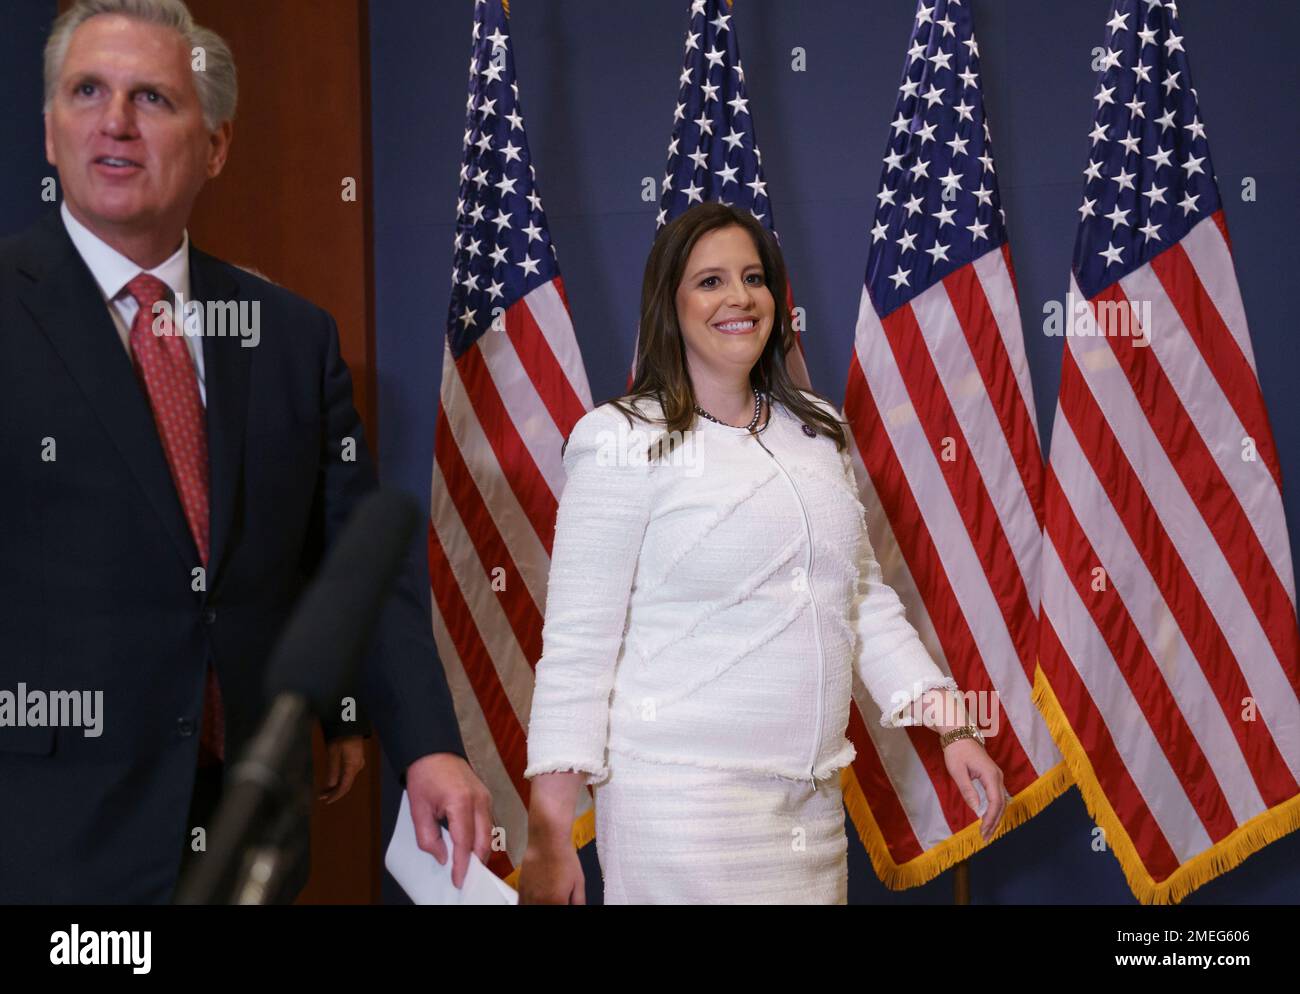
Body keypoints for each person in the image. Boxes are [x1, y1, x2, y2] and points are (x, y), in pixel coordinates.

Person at [0, 0, 491, 903]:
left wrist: (427, 745)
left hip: (245, 834)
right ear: (47, 131)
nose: (114, 121)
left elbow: (357, 564)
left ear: (216, 146)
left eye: (151, 97)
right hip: (48, 837)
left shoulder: (291, 337)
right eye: (87, 91)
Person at [519, 202, 1007, 904]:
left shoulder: (818, 431)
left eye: (753, 277)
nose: (739, 298)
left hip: (809, 810)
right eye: (710, 281)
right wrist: (550, 832)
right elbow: (577, 645)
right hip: (678, 807)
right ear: (671, 302)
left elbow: (861, 595)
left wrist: (953, 726)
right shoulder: (619, 438)